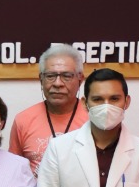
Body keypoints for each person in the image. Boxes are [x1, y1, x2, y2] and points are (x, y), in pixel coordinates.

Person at [9, 44, 89, 175]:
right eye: (50, 76)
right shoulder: (23, 120)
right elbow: (13, 172)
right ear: (41, 79)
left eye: (66, 76)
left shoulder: (93, 118)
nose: (58, 83)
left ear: (80, 79)